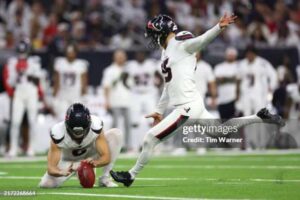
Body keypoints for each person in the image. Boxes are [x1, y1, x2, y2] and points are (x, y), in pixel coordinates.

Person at [110, 14, 285, 187]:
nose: (153, 38)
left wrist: (218, 27)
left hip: (186, 107)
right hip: (192, 103)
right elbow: (168, 85)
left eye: (155, 33)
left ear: (163, 32)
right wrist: (159, 110)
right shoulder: (167, 51)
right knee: (220, 131)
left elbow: (200, 41)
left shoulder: (179, 41)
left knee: (150, 138)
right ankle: (259, 117)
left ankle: (131, 175)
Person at [39, 103, 123, 188]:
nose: (78, 135)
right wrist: (61, 172)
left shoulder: (96, 125)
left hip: (89, 155)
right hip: (68, 161)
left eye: (81, 131)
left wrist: (94, 163)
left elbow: (106, 157)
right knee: (46, 184)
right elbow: (51, 168)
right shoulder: (58, 133)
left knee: (116, 134)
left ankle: (105, 178)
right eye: (75, 132)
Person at [5, 40, 44, 157]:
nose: (22, 53)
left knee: (32, 121)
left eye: (24, 51)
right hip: (19, 91)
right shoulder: (12, 62)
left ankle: (31, 147)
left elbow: (38, 78)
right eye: (21, 51)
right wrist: (17, 72)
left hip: (31, 92)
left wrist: (26, 71)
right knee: (16, 121)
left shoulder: (34, 61)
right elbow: (10, 82)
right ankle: (13, 148)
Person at [125, 51, 162, 151]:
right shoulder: (131, 65)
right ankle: (134, 146)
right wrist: (130, 88)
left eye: (141, 54)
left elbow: (159, 77)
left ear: (144, 56)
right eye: (138, 54)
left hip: (148, 94)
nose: (140, 56)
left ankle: (154, 146)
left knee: (152, 121)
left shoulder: (150, 64)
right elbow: (123, 77)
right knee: (134, 122)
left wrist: (156, 87)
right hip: (136, 95)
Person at [102, 50, 131, 151]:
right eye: (118, 56)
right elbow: (106, 86)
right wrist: (107, 101)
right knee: (115, 126)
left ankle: (128, 146)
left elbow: (131, 85)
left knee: (128, 125)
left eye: (122, 56)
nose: (120, 58)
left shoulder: (129, 69)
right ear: (114, 58)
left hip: (127, 101)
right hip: (115, 101)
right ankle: (111, 147)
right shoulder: (109, 70)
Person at [53, 44, 89, 120]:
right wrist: (55, 96)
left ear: (76, 53)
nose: (70, 54)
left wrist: (85, 95)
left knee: (76, 119)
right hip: (63, 95)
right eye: (68, 52)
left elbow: (84, 81)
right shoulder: (60, 63)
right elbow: (56, 81)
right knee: (61, 118)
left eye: (72, 52)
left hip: (76, 96)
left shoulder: (81, 64)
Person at [214, 47, 239, 119]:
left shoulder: (240, 66)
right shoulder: (219, 67)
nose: (230, 56)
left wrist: (225, 79)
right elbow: (217, 80)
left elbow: (239, 79)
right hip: (222, 99)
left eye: (232, 54)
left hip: (235, 100)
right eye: (229, 54)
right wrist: (232, 78)